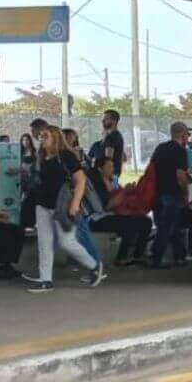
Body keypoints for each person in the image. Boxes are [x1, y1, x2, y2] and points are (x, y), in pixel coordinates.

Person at [26, 124, 105, 292]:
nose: (42, 138)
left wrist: (75, 204)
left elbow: (81, 180)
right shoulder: (41, 156)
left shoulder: (66, 156)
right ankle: (46, 280)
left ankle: (93, 266)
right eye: (41, 136)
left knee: (66, 242)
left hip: (62, 206)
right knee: (44, 243)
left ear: (55, 137)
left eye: (45, 135)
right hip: (42, 205)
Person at [87, 157, 152, 266]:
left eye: (112, 166)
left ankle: (138, 255)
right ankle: (121, 257)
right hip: (99, 218)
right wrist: (125, 192)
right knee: (128, 224)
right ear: (100, 169)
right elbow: (106, 206)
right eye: (109, 166)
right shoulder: (96, 185)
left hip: (114, 215)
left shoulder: (113, 181)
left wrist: (129, 191)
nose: (112, 169)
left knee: (146, 221)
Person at [147, 122, 191, 268]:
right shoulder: (180, 151)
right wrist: (185, 194)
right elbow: (180, 176)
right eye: (187, 134)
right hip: (172, 194)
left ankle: (179, 255)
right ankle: (156, 258)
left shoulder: (160, 148)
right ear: (183, 135)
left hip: (157, 193)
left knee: (171, 226)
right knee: (167, 228)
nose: (188, 138)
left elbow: (150, 169)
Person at [61, 127, 101, 267]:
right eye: (68, 136)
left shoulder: (74, 153)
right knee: (73, 232)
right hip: (70, 196)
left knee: (81, 230)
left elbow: (82, 174)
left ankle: (96, 263)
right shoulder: (60, 154)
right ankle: (81, 261)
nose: (70, 139)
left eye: (73, 136)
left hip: (78, 197)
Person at [88, 109, 127, 178]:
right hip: (112, 174)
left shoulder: (112, 136)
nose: (103, 121)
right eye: (103, 119)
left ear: (114, 121)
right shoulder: (117, 135)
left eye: (106, 118)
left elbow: (108, 159)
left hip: (107, 175)